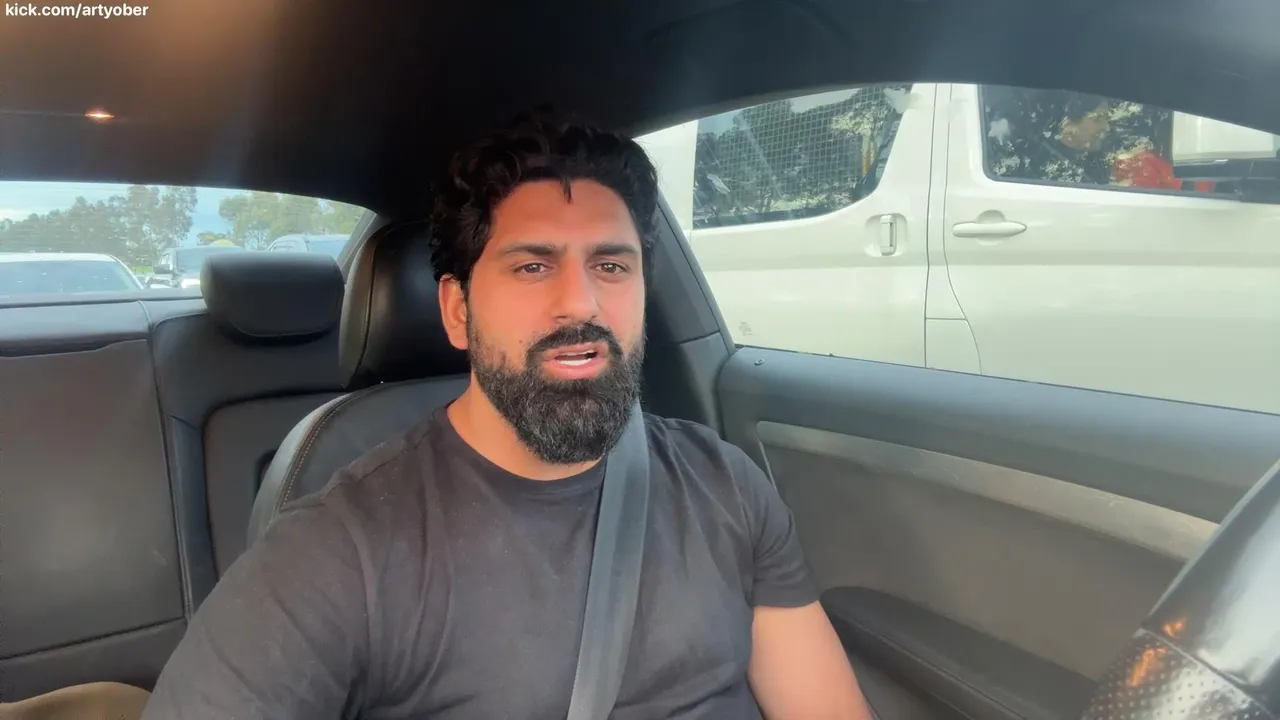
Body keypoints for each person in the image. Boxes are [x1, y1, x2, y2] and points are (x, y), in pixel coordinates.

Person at [140, 111, 872, 719]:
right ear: (458, 311)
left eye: (611, 265)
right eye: (532, 266)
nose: (581, 303)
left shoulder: (725, 484)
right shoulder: (340, 552)